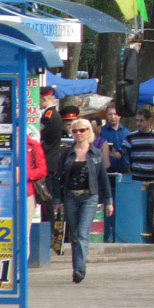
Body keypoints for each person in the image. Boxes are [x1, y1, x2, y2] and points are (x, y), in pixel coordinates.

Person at [52, 119, 113, 282]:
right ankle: (76, 268)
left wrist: (108, 200)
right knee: (74, 235)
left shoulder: (96, 153)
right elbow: (58, 177)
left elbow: (103, 179)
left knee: (82, 233)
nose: (79, 134)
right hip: (70, 196)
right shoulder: (66, 152)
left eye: (82, 130)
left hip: (89, 197)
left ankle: (80, 269)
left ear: (89, 132)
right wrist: (57, 199)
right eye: (75, 131)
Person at [121, 108, 154, 183]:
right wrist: (115, 154)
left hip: (152, 178)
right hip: (136, 178)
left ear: (150, 120)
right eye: (137, 120)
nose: (138, 123)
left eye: (141, 120)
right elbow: (122, 150)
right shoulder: (131, 137)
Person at [39, 86, 63, 219]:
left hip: (47, 160)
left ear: (44, 98)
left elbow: (40, 135)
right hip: (51, 160)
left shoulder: (49, 116)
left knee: (45, 198)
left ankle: (47, 227)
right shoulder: (53, 114)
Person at [99, 102, 131, 174]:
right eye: (110, 114)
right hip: (106, 171)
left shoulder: (127, 133)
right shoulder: (101, 132)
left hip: (124, 170)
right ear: (106, 115)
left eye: (115, 114)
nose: (113, 117)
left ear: (120, 116)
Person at [26, 135, 48, 239]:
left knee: (24, 231)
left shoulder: (33, 145)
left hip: (27, 193)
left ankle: (24, 256)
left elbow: (42, 170)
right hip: (3, 192)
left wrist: (24, 174)